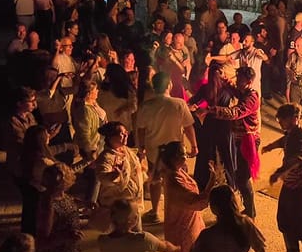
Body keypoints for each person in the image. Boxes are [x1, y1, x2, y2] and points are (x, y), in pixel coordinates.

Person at [156, 141, 216, 252]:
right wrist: (212, 181)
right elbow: (198, 202)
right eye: (183, 154)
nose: (186, 156)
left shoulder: (177, 172)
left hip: (191, 222)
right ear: (174, 158)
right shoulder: (174, 180)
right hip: (183, 228)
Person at [263, 103, 302, 252]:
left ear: (294, 119)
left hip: (299, 187)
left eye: (283, 119)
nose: (280, 122)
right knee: (285, 221)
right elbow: (284, 140)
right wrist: (270, 146)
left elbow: (296, 160)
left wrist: (279, 173)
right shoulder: (290, 134)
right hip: (289, 186)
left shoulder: (301, 138)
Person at [136, 72, 198, 223]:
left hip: (154, 151)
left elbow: (141, 129)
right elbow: (189, 126)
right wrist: (194, 146)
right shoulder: (179, 104)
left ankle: (155, 212)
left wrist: (141, 148)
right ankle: (180, 212)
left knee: (155, 180)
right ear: (169, 85)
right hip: (176, 152)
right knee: (179, 180)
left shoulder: (146, 106)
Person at [207, 66, 261, 218]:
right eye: (238, 79)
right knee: (240, 175)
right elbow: (234, 89)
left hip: (249, 140)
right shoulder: (244, 91)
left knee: (243, 179)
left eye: (241, 80)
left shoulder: (252, 98)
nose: (238, 82)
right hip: (240, 139)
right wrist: (223, 77)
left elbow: (235, 113)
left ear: (249, 82)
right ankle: (249, 209)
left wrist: (213, 110)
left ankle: (251, 212)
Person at [95, 122, 147, 230]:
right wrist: (113, 175)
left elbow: (137, 170)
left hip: (134, 203)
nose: (126, 135)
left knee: (136, 235)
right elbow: (103, 176)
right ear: (111, 137)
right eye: (122, 134)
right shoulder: (106, 157)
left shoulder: (127, 151)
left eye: (126, 132)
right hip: (120, 208)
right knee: (124, 236)